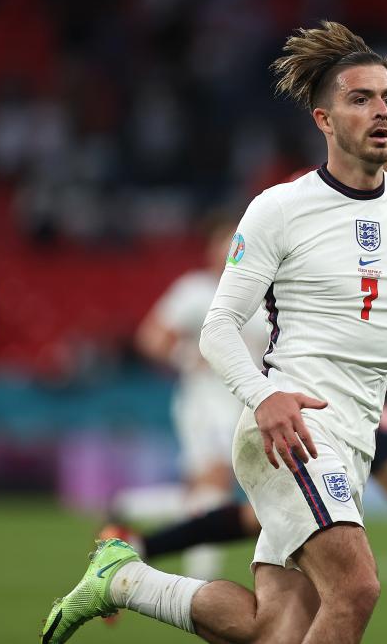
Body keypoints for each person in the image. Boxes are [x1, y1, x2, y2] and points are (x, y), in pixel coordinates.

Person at [41, 21, 387, 644]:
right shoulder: (279, 208)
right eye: (360, 99)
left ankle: (124, 580)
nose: (382, 111)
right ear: (324, 120)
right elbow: (217, 328)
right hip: (291, 430)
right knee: (355, 588)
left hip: (353, 442)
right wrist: (262, 396)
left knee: (271, 627)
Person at [107, 221, 268, 581]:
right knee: (214, 484)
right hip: (205, 398)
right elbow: (151, 338)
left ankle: (127, 507)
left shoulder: (262, 297)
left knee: (207, 494)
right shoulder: (196, 291)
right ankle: (201, 583)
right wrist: (186, 357)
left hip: (246, 400)